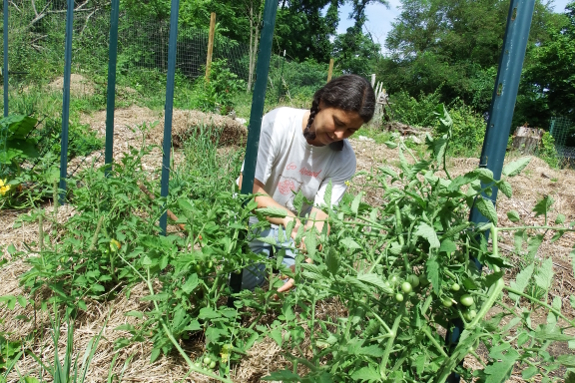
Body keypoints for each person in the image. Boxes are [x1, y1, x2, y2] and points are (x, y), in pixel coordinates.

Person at [237, 74, 376, 293]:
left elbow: (321, 215)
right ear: (321, 102)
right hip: (253, 218)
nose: (340, 134)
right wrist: (289, 219)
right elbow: (248, 188)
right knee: (241, 287)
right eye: (338, 122)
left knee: (297, 286)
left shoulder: (345, 159)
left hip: (294, 230)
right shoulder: (278, 123)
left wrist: (309, 251)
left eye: (351, 130)